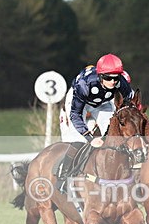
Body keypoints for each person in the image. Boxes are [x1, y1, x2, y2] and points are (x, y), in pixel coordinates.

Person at [57, 54, 134, 192]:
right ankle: (63, 177)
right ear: (100, 76)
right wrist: (89, 138)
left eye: (116, 78)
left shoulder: (121, 83)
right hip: (80, 104)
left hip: (103, 103)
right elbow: (75, 114)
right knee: (77, 140)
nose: (112, 82)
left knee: (114, 135)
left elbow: (131, 106)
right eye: (108, 78)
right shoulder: (84, 85)